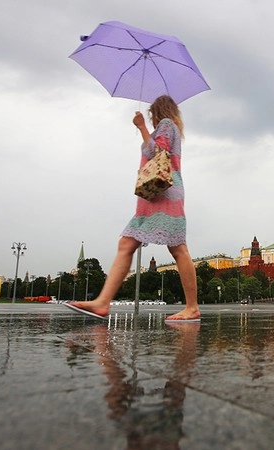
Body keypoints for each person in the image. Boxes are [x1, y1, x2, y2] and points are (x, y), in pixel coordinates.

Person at [66, 95, 200, 322]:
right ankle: (102, 302)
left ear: (158, 112)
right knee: (127, 243)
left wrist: (142, 128)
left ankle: (192, 307)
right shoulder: (171, 127)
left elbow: (158, 152)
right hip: (154, 196)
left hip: (164, 194)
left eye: (151, 114)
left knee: (177, 248)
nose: (151, 118)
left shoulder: (166, 125)